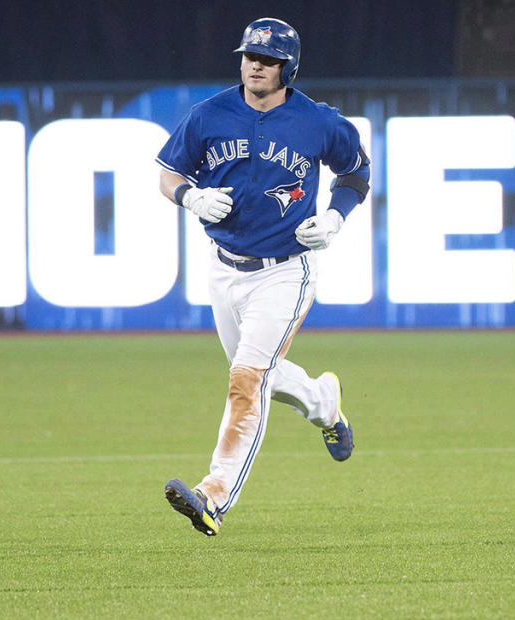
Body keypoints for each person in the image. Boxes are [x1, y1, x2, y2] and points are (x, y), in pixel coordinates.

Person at [155, 17, 370, 536]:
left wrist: (337, 216)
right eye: (250, 55)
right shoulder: (209, 115)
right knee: (260, 377)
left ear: (287, 68)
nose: (255, 64)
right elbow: (168, 174)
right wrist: (191, 196)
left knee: (246, 380)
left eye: (268, 59)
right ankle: (323, 402)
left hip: (285, 270)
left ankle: (214, 495)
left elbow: (357, 173)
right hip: (223, 269)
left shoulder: (318, 122)